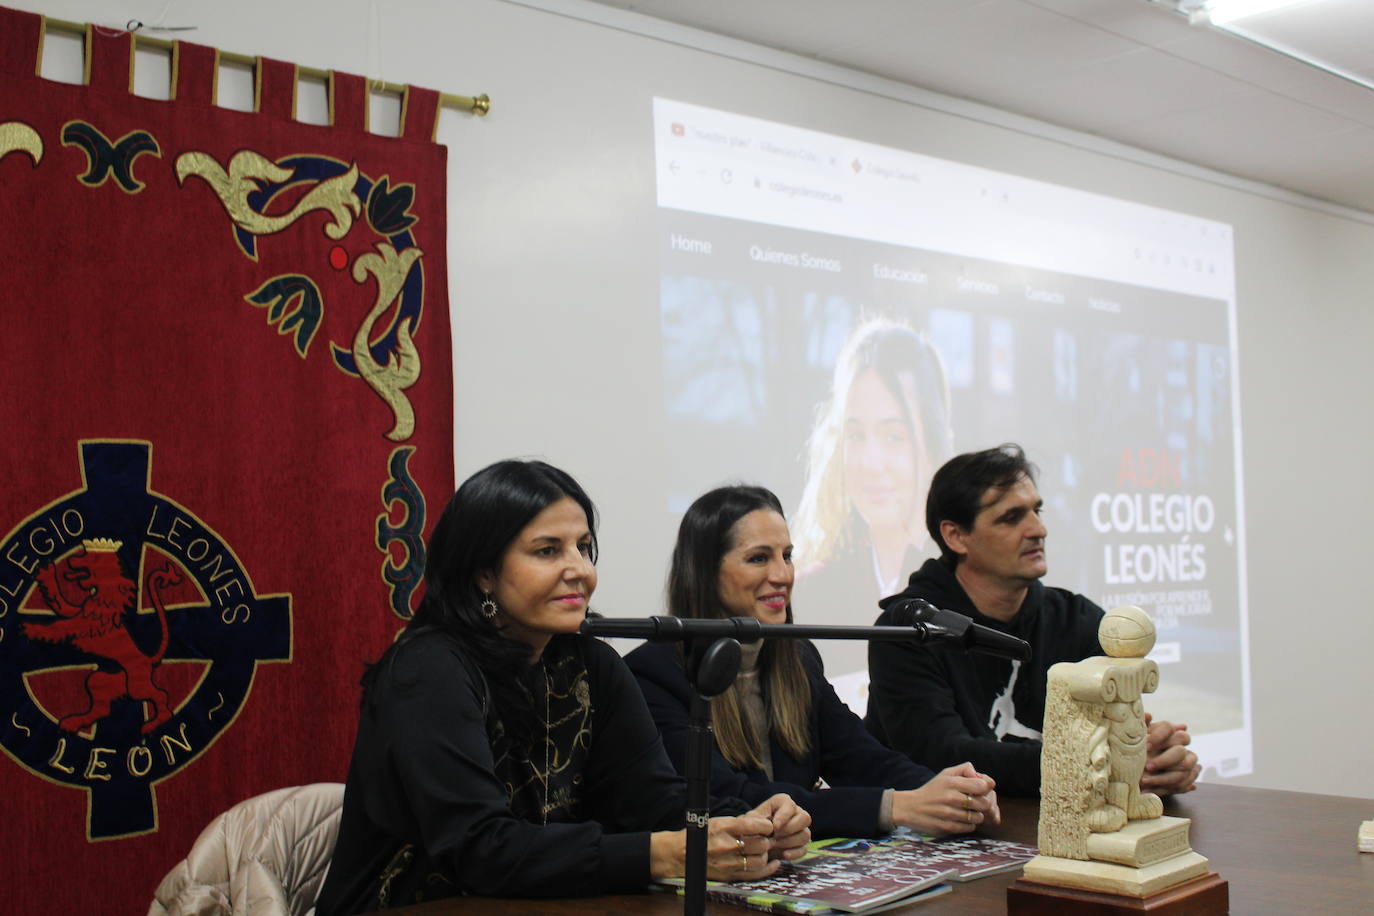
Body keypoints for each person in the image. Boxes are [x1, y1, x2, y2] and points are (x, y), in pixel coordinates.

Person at [316, 461, 811, 914]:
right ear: (484, 572)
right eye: (548, 550)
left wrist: (755, 821)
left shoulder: (590, 662)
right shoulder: (427, 671)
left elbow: (652, 801)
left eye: (584, 547)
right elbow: (483, 851)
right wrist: (663, 853)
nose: (581, 570)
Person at [626, 485, 999, 840]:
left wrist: (949, 791)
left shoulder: (798, 656)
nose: (782, 576)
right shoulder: (652, 674)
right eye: (759, 558)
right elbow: (732, 799)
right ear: (705, 572)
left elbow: (858, 757)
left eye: (786, 556)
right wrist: (895, 807)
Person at [865, 444, 1202, 798]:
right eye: (1011, 518)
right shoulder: (908, 629)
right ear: (956, 536)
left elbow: (1117, 737)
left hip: (1060, 826)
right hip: (934, 838)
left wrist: (1153, 762)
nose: (1038, 529)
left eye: (1036, 511)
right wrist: (1102, 764)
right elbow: (941, 757)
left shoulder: (1079, 620)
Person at [791, 320, 953, 672]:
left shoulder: (967, 586)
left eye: (894, 437)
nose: (869, 462)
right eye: (856, 436)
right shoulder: (809, 592)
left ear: (931, 444)